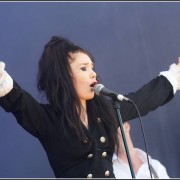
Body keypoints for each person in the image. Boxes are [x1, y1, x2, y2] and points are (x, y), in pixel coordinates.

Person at [0, 36, 180, 178]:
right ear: (64, 77)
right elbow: (19, 101)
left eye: (92, 67)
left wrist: (175, 75)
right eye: (84, 68)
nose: (93, 73)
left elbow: (143, 99)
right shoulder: (48, 120)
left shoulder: (105, 112)